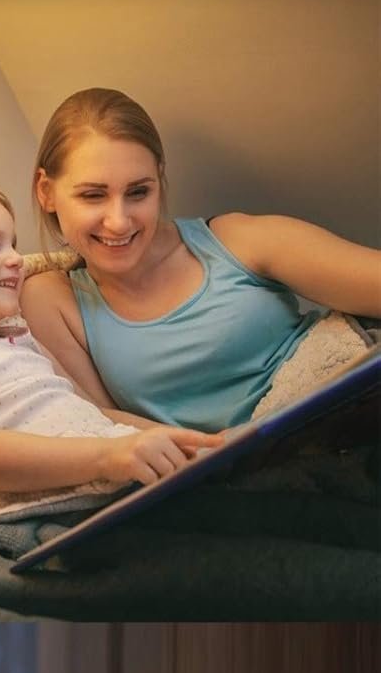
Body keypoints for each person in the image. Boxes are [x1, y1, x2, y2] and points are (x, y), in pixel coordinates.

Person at [22, 87, 381, 433]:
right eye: (93, 195)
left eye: (138, 192)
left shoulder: (235, 241)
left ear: (159, 180)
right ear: (46, 191)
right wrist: (218, 452)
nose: (119, 220)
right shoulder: (51, 300)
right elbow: (103, 426)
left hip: (347, 405)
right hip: (240, 471)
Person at [0, 176, 220, 498]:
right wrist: (108, 457)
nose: (17, 259)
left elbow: (98, 413)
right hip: (47, 497)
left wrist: (189, 443)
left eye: (13, 244)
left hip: (116, 474)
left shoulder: (19, 337)